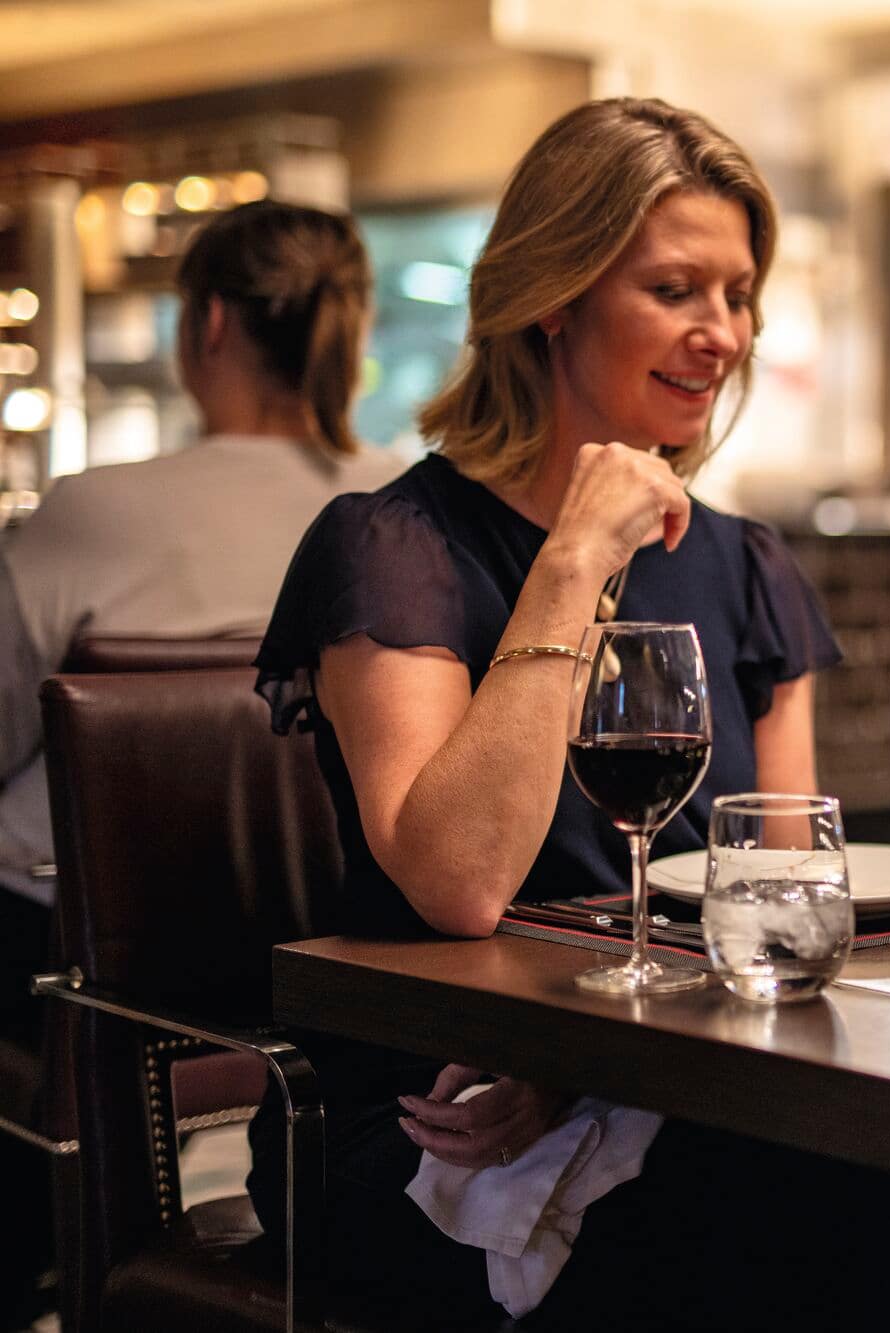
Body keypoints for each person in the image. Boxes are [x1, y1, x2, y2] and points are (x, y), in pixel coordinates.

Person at [249, 98, 890, 1329]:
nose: (722, 334)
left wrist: (587, 1072)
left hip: (667, 1072)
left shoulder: (750, 565)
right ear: (554, 293)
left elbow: (780, 895)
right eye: (675, 290)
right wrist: (570, 561)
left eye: (739, 294)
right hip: (436, 1109)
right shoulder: (393, 548)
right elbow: (458, 884)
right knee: (818, 1217)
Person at [0, 199, 400, 1322]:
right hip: (341, 950)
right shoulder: (401, 501)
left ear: (209, 323)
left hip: (92, 975)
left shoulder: (96, 510)